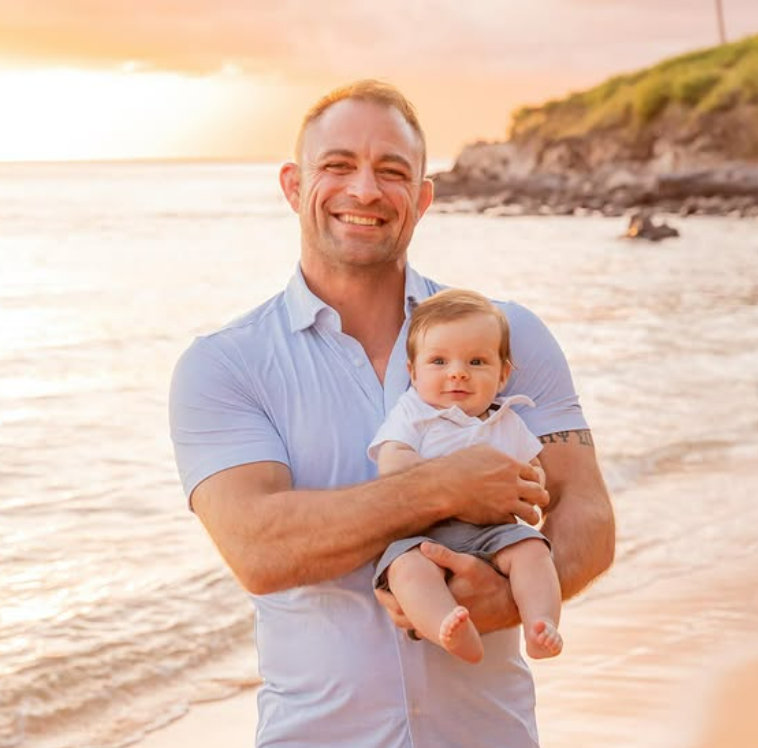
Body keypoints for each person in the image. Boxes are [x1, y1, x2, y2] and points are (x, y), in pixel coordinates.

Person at [169, 79, 615, 748]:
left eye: (392, 171)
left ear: (423, 198)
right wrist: (440, 487)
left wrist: (509, 600)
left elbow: (588, 513)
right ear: (294, 185)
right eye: (339, 165)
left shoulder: (507, 336)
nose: (366, 191)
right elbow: (259, 547)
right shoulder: (224, 365)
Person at [370, 288, 562, 664]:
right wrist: (453, 484)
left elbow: (534, 474)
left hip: (494, 532)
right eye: (439, 361)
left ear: (503, 374)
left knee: (533, 551)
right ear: (413, 372)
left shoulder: (505, 419)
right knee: (405, 570)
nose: (457, 372)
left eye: (476, 362)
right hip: (422, 534)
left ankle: (540, 624)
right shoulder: (413, 412)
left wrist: (533, 489)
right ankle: (449, 629)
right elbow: (392, 465)